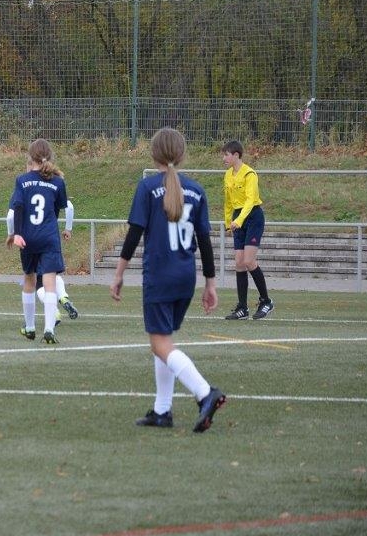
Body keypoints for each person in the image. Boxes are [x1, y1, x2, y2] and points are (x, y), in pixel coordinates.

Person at [110, 127, 226, 433]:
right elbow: (204, 241)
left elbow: (134, 234)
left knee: (160, 343)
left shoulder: (148, 187)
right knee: (163, 340)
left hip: (160, 276)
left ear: (154, 154)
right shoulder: (196, 190)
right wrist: (211, 283)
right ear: (182, 154)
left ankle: (205, 392)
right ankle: (162, 411)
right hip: (185, 277)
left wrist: (119, 274)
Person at [8, 138, 68, 344]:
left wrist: (17, 234)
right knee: (49, 283)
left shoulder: (22, 180)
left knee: (29, 280)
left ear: (30, 157)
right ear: (49, 157)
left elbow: (17, 207)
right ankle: (49, 329)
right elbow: (58, 209)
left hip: (27, 237)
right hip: (49, 237)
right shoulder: (58, 182)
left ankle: (30, 327)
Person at [222, 139, 274, 320]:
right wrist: (228, 222)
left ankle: (266, 301)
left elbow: (251, 200)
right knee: (239, 262)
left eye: (226, 155)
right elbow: (228, 202)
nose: (224, 158)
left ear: (236, 155)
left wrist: (240, 220)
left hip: (253, 217)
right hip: (238, 217)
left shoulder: (249, 174)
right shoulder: (228, 175)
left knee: (249, 261)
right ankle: (242, 308)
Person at [6, 200, 80, 321]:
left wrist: (11, 234)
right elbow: (70, 207)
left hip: (29, 238)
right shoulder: (51, 189)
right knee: (51, 274)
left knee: (37, 281)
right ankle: (63, 297)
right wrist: (68, 228)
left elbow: (10, 216)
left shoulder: (22, 190)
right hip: (49, 237)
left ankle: (53, 312)